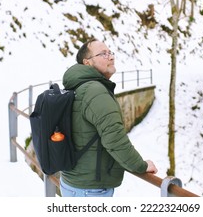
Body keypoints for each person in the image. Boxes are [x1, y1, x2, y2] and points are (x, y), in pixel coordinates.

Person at [59, 38, 158, 197]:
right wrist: (140, 166)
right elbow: (115, 139)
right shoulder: (95, 91)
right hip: (90, 191)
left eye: (110, 52)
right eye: (103, 54)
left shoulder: (77, 87)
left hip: (72, 183)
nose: (111, 57)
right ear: (88, 62)